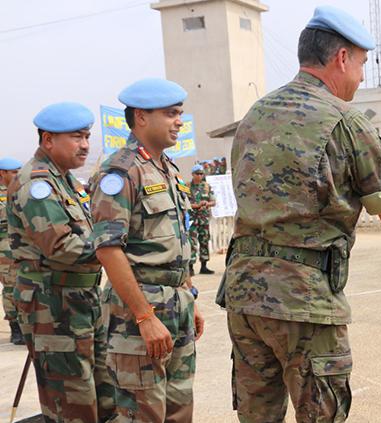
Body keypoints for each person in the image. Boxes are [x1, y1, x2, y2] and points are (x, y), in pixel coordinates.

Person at [223, 6, 381, 422]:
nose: (362, 77)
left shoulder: (255, 114)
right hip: (304, 302)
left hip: (244, 296)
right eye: (362, 64)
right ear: (341, 58)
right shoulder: (346, 121)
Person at [89, 79, 204, 422]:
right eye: (170, 114)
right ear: (141, 117)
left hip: (176, 305)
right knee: (142, 414)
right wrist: (144, 316)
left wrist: (188, 296)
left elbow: (175, 242)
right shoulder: (120, 171)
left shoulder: (166, 168)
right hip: (138, 313)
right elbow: (108, 250)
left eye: (180, 113)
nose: (179, 121)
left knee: (179, 410)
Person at [7, 102, 114, 421]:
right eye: (76, 137)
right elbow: (63, 247)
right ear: (48, 139)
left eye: (87, 136)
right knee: (73, 405)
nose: (85, 145)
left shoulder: (67, 181)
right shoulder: (36, 184)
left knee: (105, 396)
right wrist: (115, 245)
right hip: (53, 306)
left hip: (82, 300)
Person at [0, 157, 24, 345]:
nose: (18, 175)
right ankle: (15, 327)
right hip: (4, 247)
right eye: (14, 172)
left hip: (22, 244)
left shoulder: (21, 190)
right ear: (2, 173)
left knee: (24, 285)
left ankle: (25, 325)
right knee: (10, 287)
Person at [188, 164, 216, 275]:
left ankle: (204, 266)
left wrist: (206, 203)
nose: (199, 176)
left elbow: (213, 202)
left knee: (204, 241)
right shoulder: (187, 187)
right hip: (192, 219)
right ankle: (190, 267)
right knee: (192, 243)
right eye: (197, 174)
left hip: (203, 218)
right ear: (192, 174)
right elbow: (185, 203)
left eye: (201, 174)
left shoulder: (207, 186)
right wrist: (196, 205)